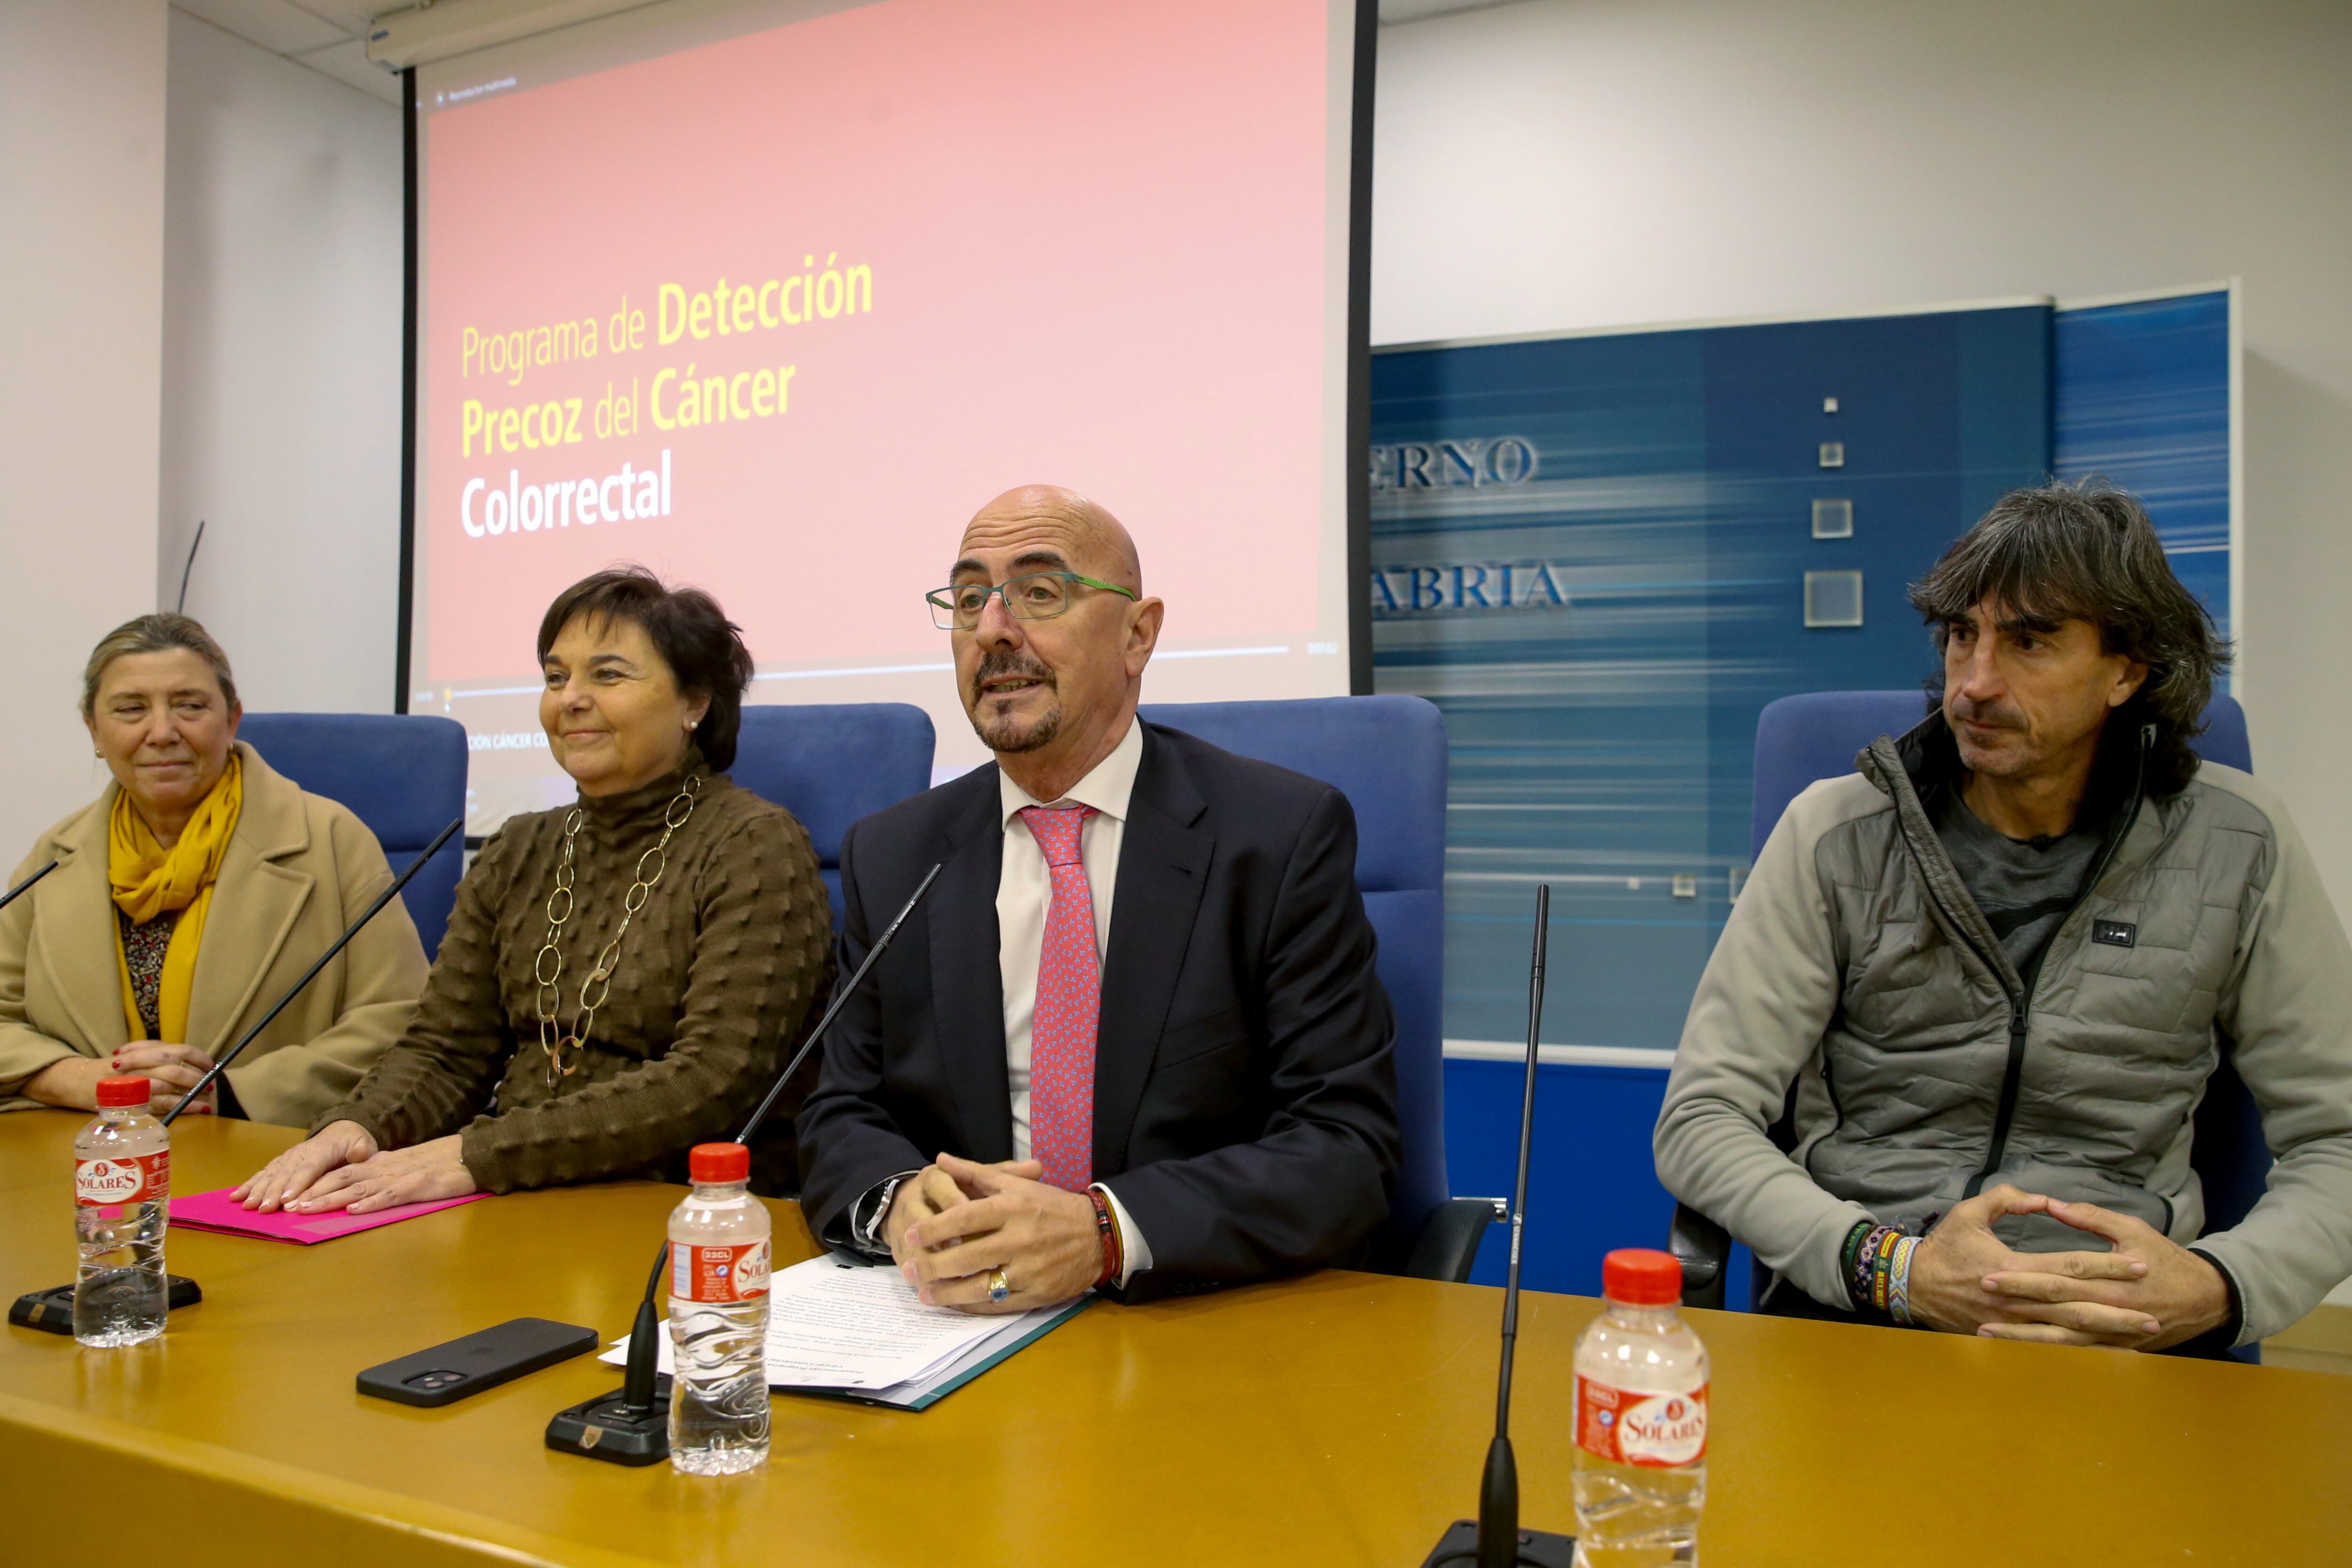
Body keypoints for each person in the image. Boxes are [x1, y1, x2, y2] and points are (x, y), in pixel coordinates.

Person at [1656, 480, 2352, 1354]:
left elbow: (2340, 1137)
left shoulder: (2241, 843)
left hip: (2123, 1332)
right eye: (1962, 636)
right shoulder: (1834, 833)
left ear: (2127, 670)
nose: (1976, 683)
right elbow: (1703, 1117)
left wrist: (2219, 1284)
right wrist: (1890, 1267)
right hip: (1871, 1312)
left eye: (2031, 642)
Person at [796, 484, 1402, 1312]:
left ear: (1138, 634)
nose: (993, 631)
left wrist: (1103, 1231)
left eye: (1040, 593)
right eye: (971, 599)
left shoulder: (1279, 837)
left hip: (1195, 1318)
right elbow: (840, 1109)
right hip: (953, 1321)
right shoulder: (896, 853)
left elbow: (1345, 1145)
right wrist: (897, 1199)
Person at [234, 568, 834, 1214]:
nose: (569, 699)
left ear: (695, 702)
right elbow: (445, 1050)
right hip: (512, 1194)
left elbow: (715, 1079)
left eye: (607, 675)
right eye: (555, 677)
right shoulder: (519, 848)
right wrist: (356, 1130)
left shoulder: (756, 845)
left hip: (682, 1214)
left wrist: (473, 1156)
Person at [0, 615, 427, 1124]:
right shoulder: (54, 855)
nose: (162, 732)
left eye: (190, 706)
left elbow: (403, 1019)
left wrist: (229, 1094)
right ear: (94, 729)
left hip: (266, 1162)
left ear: (232, 720)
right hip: (88, 1161)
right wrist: (80, 1080)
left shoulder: (332, 838)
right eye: (131, 709)